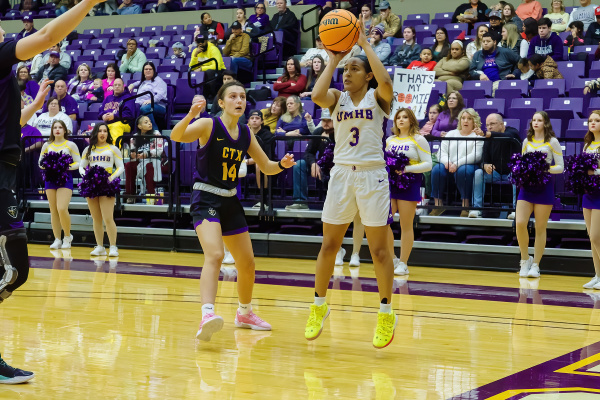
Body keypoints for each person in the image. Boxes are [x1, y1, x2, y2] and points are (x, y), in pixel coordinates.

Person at [0, 0, 112, 383]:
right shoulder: (0, 56)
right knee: (14, 267)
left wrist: (33, 103)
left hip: (5, 171)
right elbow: (48, 36)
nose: (4, 32)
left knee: (10, 267)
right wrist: (88, 3)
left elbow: (13, 121)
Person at [170, 80, 295, 341]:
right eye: (234, 96)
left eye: (243, 97)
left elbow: (267, 166)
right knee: (215, 254)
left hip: (230, 200)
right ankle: (207, 314)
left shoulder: (247, 134)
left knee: (247, 262)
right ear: (222, 102)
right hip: (205, 197)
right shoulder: (208, 124)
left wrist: (282, 165)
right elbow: (176, 136)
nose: (240, 100)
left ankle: (244, 313)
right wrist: (192, 114)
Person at [305, 15, 397, 349]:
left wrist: (364, 45)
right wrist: (334, 58)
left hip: (372, 174)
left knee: (379, 250)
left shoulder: (379, 98)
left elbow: (385, 80)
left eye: (354, 69)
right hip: (342, 173)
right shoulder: (336, 98)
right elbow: (316, 95)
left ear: (368, 75)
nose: (347, 74)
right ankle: (319, 306)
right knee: (329, 245)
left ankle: (386, 312)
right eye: (346, 70)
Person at [515, 111, 563, 278]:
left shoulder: (553, 142)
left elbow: (560, 167)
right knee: (520, 223)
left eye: (539, 120)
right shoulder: (526, 141)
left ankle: (536, 265)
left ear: (545, 123)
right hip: (527, 186)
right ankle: (524, 259)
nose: (535, 123)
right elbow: (521, 162)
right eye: (534, 120)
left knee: (540, 227)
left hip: (544, 185)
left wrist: (543, 169)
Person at [386, 108, 432, 275]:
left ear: (411, 120)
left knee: (406, 225)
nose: (401, 120)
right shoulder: (390, 140)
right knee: (383, 222)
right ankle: (393, 259)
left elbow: (428, 164)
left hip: (409, 183)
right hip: (391, 184)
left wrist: (406, 169)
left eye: (405, 117)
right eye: (398, 117)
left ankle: (404, 263)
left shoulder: (419, 139)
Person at [79, 123, 124, 257]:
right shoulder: (88, 149)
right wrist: (86, 177)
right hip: (92, 185)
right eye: (100, 131)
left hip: (107, 184)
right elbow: (81, 167)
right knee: (96, 218)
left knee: (108, 217)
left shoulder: (113, 148)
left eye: (105, 131)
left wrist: (112, 178)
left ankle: (113, 246)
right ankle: (99, 246)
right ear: (95, 133)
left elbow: (121, 167)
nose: (102, 133)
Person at [430, 108, 484, 217]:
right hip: (449, 164)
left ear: (474, 121)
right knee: (436, 169)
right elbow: (441, 153)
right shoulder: (451, 133)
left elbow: (476, 155)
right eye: (463, 118)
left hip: (468, 165)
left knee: (463, 171)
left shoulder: (478, 136)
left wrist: (457, 164)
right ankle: (438, 205)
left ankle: (465, 206)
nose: (465, 121)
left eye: (469, 118)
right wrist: (448, 163)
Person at [38, 120, 81, 249]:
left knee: (62, 208)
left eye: (60, 127)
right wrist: (48, 165)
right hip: (50, 178)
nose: (57, 129)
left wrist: (64, 166)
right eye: (55, 127)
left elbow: (78, 162)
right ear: (52, 130)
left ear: (65, 130)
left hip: (65, 178)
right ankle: (57, 238)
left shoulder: (71, 145)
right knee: (53, 210)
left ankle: (67, 237)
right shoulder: (47, 144)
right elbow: (40, 161)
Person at [470, 113, 521, 219]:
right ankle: (476, 209)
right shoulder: (489, 139)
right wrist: (485, 165)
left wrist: (487, 134)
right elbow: (484, 159)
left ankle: (517, 210)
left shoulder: (512, 132)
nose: (489, 127)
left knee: (517, 173)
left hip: (511, 172)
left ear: (502, 124)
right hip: (496, 173)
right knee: (478, 173)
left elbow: (508, 137)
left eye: (492, 124)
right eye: (487, 125)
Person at [286, 107, 334, 210]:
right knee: (299, 165)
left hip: (337, 166)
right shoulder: (318, 131)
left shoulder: (341, 133)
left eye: (329, 120)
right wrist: (313, 163)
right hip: (321, 165)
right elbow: (308, 153)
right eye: (323, 120)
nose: (326, 123)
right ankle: (300, 202)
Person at [124, 115, 164, 203]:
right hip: (140, 161)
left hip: (153, 161)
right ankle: (130, 195)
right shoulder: (134, 137)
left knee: (148, 166)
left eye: (150, 121)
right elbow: (132, 152)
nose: (149, 123)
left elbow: (160, 150)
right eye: (146, 122)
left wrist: (147, 154)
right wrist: (133, 155)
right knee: (128, 165)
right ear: (139, 126)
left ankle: (151, 194)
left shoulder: (156, 134)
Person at [581, 111, 600, 289]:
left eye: (597, 120)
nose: (593, 123)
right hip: (589, 193)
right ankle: (597, 274)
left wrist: (595, 173)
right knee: (591, 237)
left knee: (596, 236)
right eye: (590, 121)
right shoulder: (587, 145)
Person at [128, 62, 168, 131]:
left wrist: (151, 100)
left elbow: (161, 95)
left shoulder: (159, 81)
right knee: (130, 108)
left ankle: (155, 131)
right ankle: (135, 132)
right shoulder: (144, 81)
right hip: (141, 104)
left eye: (150, 69)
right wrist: (132, 85)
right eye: (146, 69)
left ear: (153, 71)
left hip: (157, 105)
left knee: (145, 108)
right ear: (143, 71)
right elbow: (138, 82)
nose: (148, 71)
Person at [98, 78, 135, 147]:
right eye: (115, 85)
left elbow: (129, 114)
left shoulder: (128, 98)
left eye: (119, 85)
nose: (117, 86)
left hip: (123, 123)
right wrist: (103, 115)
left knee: (115, 127)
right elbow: (100, 110)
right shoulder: (108, 98)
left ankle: (114, 152)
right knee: (98, 128)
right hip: (107, 122)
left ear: (123, 87)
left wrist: (114, 116)